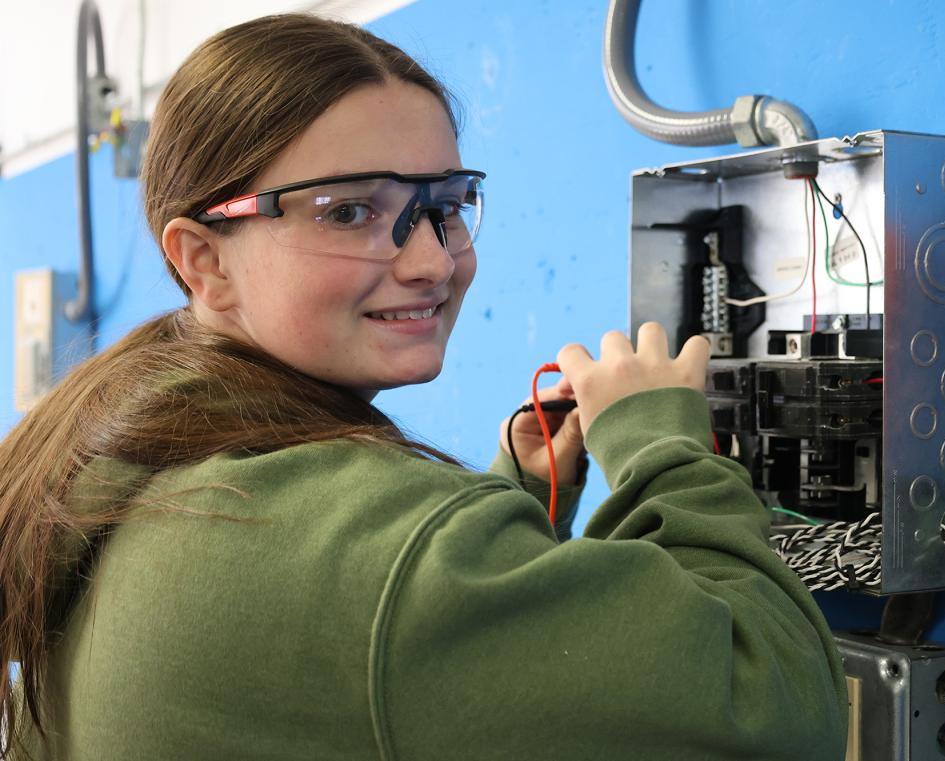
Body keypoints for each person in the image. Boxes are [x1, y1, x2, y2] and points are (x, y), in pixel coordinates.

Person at [0, 13, 846, 760]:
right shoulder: (370, 550)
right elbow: (773, 702)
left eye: (445, 204)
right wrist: (664, 450)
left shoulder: (137, 455)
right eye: (349, 211)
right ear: (204, 260)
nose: (434, 260)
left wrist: (510, 496)